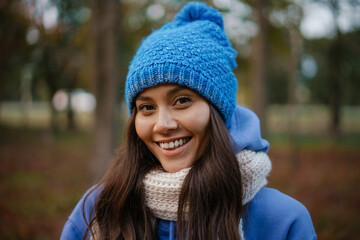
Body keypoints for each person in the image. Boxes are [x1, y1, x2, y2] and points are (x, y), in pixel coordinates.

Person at [61, 2, 316, 240]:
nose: (163, 125)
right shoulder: (99, 208)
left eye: (182, 101)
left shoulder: (282, 221)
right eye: (147, 107)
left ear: (217, 111)